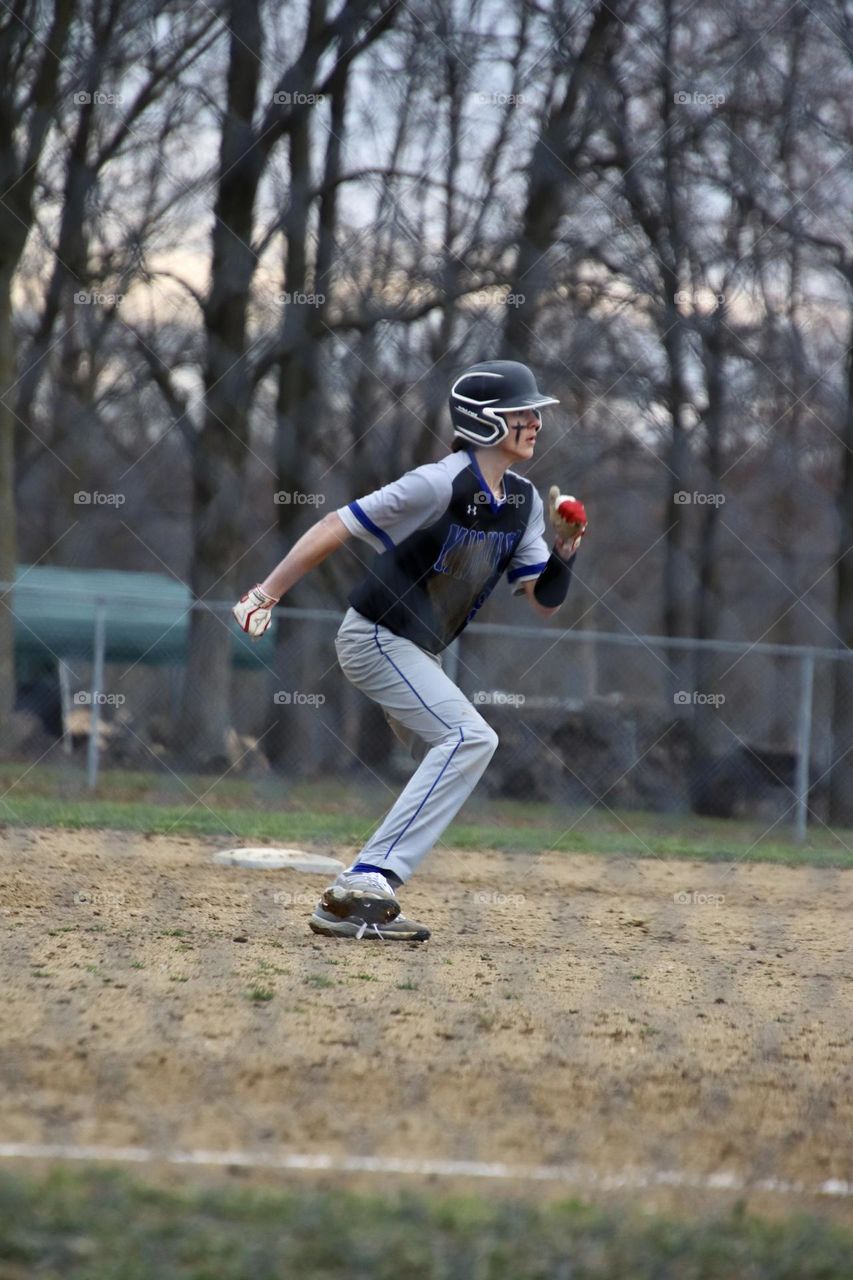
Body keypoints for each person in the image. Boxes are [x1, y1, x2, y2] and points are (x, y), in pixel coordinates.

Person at [233, 360, 587, 941]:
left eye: (534, 412)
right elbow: (337, 524)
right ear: (484, 421)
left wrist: (565, 551)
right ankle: (367, 879)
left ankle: (356, 895)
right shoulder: (439, 483)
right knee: (471, 738)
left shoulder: (522, 502)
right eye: (521, 412)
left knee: (458, 748)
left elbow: (542, 599)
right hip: (374, 636)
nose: (535, 422)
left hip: (421, 653)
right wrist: (266, 592)